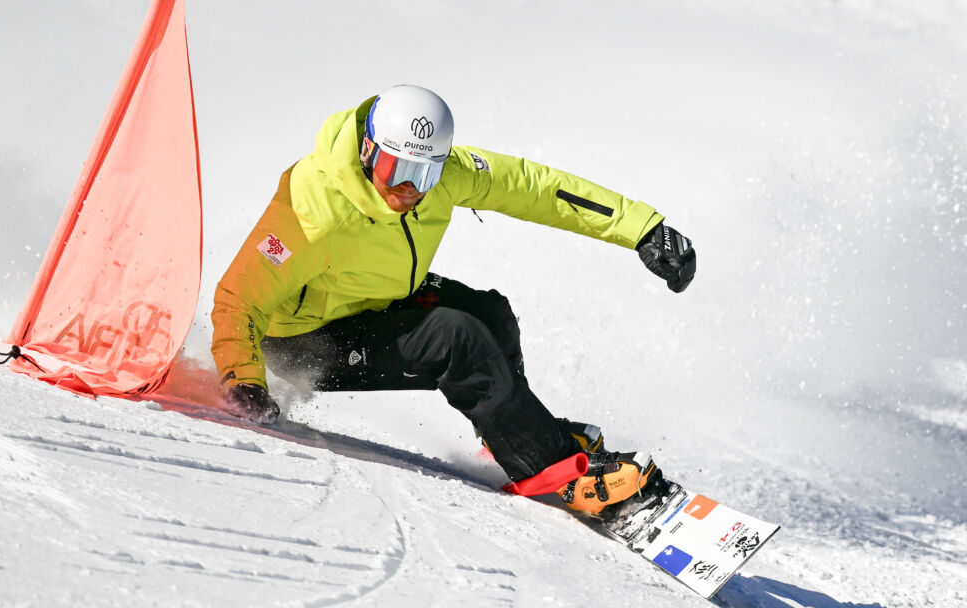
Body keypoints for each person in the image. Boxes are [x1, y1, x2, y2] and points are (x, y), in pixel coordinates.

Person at [211, 85, 696, 516]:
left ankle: (516, 436)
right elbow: (239, 295)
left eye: (424, 174)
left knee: (490, 314)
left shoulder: (441, 178)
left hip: (367, 302)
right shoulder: (313, 207)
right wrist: (244, 380)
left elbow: (533, 187)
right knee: (454, 338)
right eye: (395, 168)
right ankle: (560, 472)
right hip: (300, 344)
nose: (409, 189)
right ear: (367, 150)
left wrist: (642, 230)